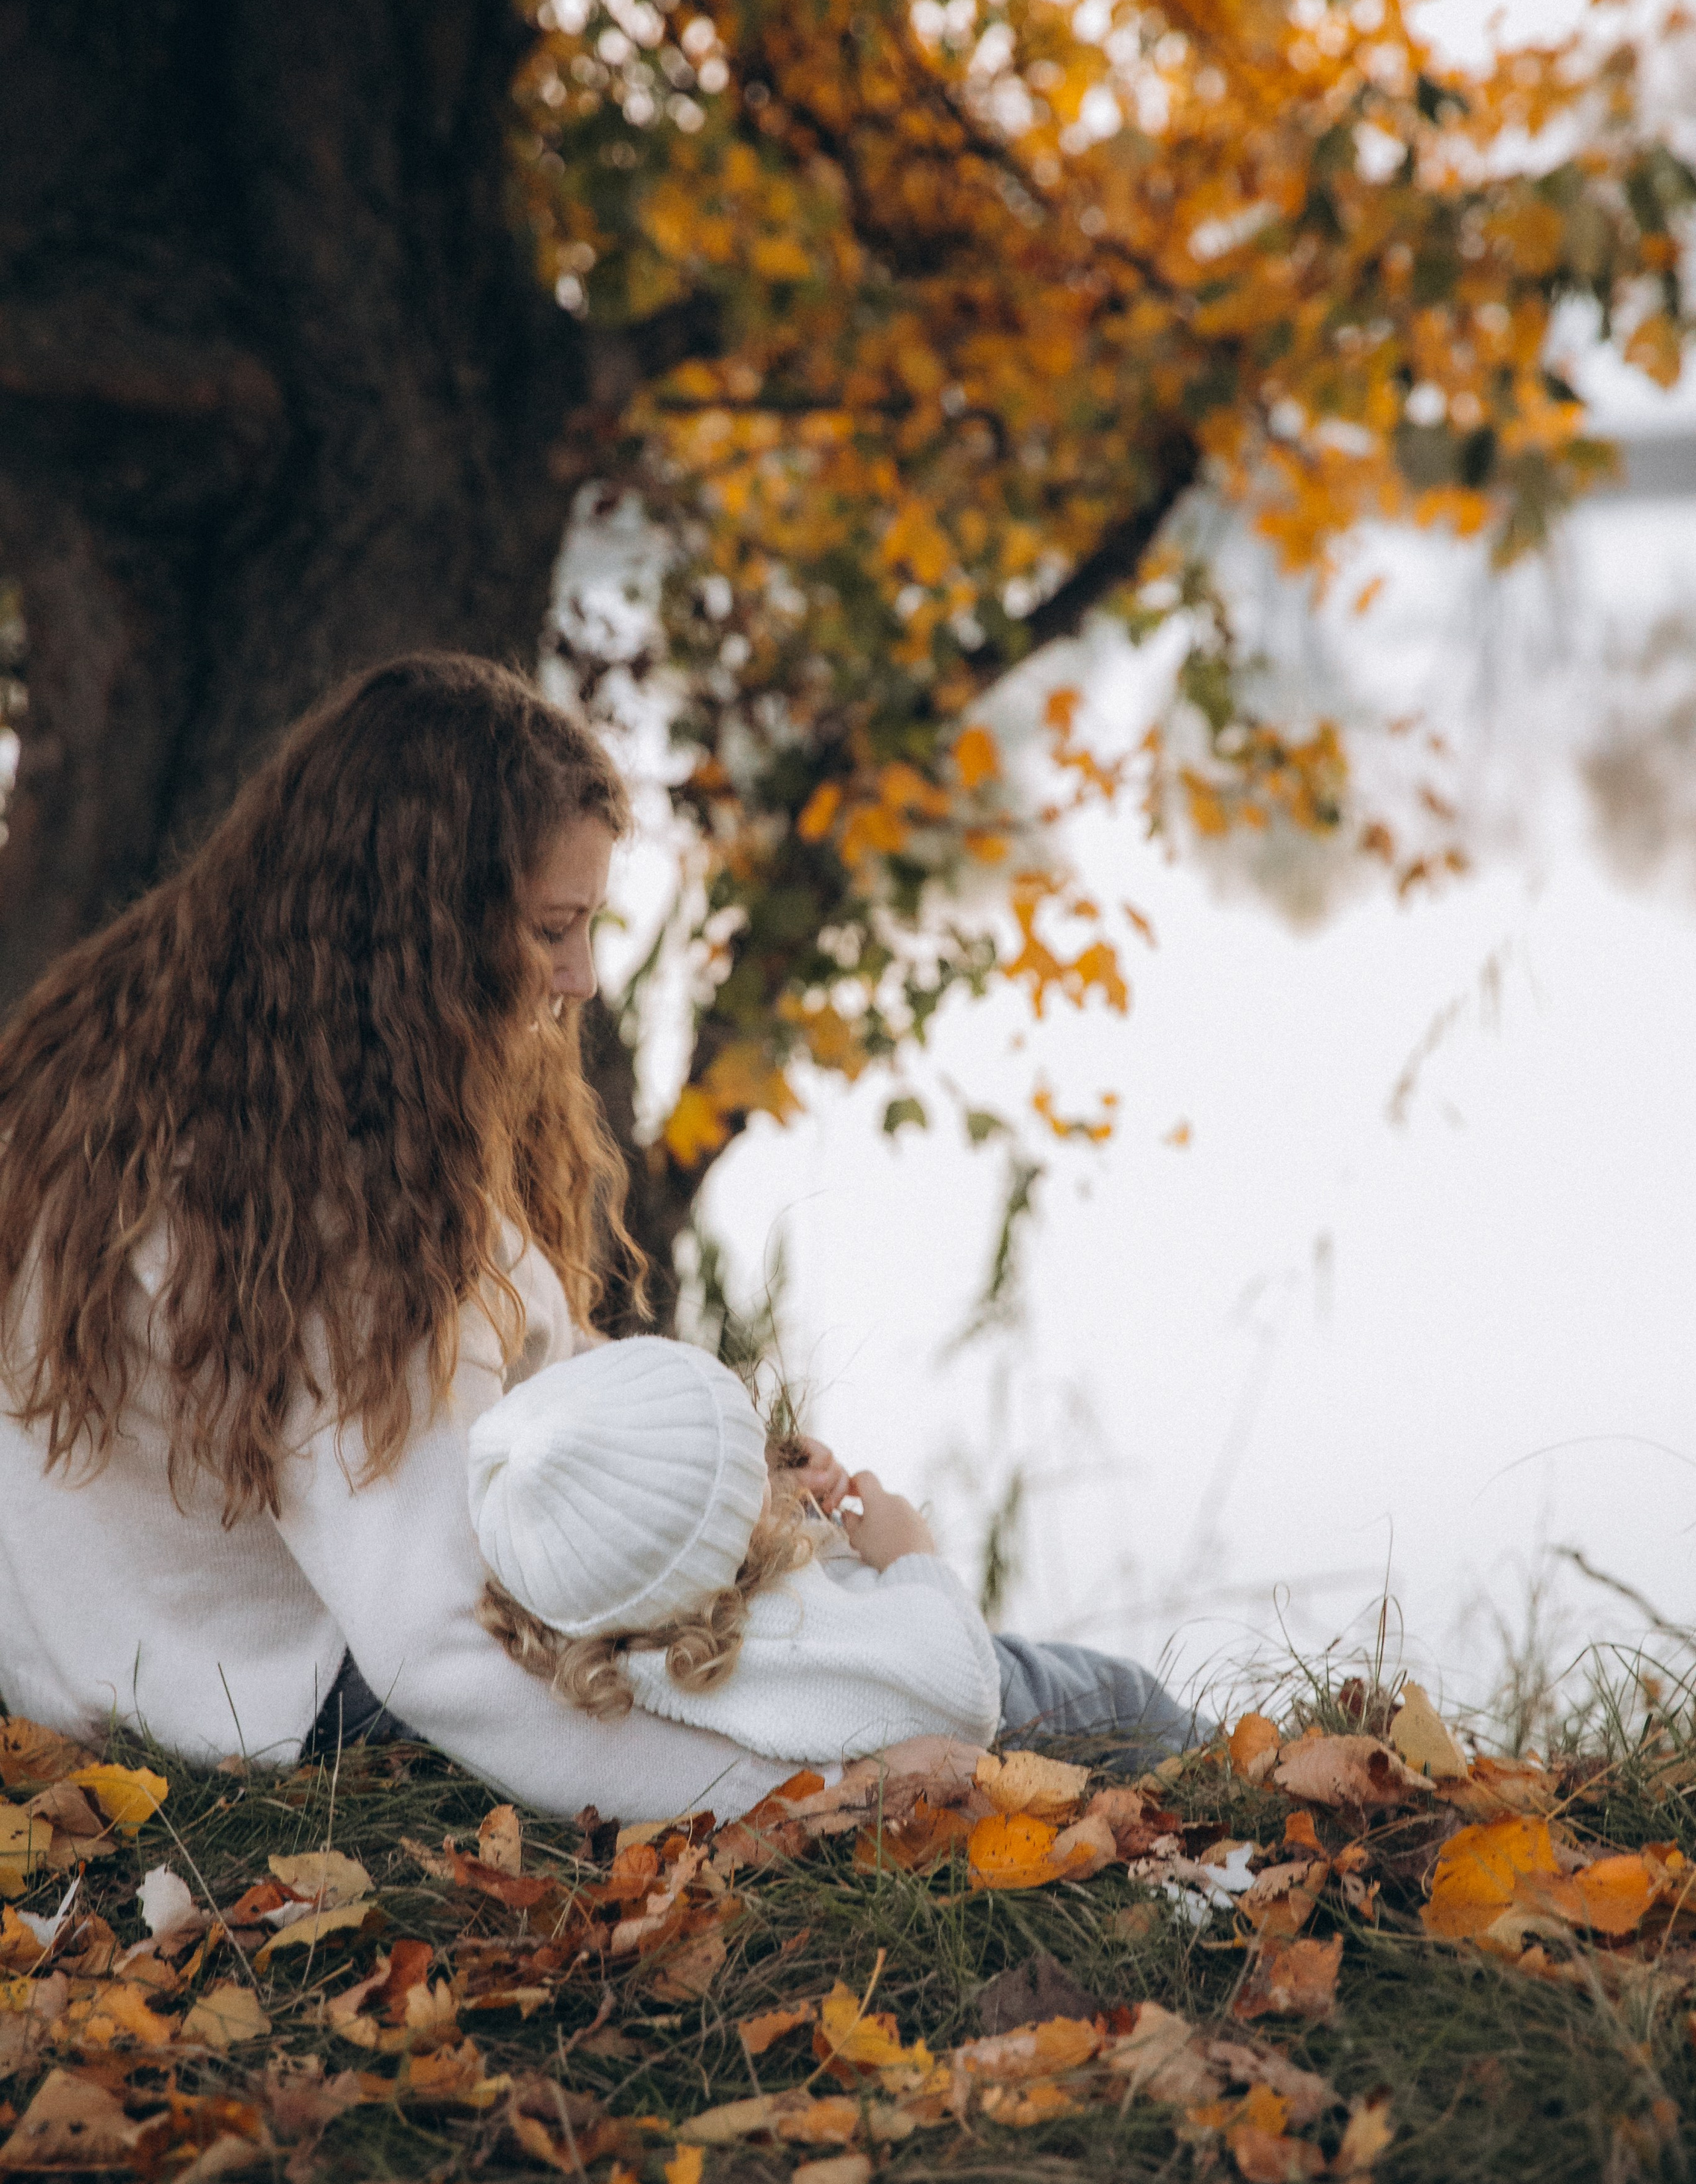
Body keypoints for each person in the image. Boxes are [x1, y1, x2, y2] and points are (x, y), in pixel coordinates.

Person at [0, 652, 1190, 1818]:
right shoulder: (317, 1207)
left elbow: (516, 1378)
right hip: (289, 1695)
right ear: (419, 930)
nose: (581, 977)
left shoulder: (152, 1061)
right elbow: (437, 1651)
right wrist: (800, 1796)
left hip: (127, 1661)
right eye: (552, 929)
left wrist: (729, 1479)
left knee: (950, 1659)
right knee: (1104, 1708)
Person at [471, 1335, 1193, 1767]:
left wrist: (768, 1489)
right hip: (1008, 1714)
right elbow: (966, 1693)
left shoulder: (609, 1614)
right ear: (739, 1538)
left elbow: (663, 1528)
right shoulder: (795, 1635)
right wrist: (910, 1555)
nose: (766, 1465)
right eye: (748, 1465)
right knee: (1125, 1698)